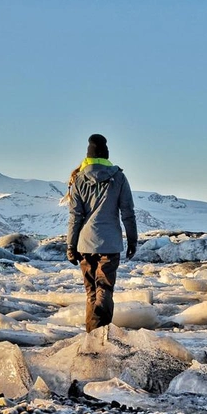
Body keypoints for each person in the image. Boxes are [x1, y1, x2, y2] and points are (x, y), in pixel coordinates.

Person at [66, 133, 138, 333]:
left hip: (85, 244)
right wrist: (133, 241)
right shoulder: (119, 177)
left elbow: (75, 216)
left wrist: (71, 245)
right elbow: (128, 213)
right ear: (106, 155)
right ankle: (102, 337)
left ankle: (92, 335)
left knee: (91, 293)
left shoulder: (79, 179)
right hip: (110, 244)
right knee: (104, 290)